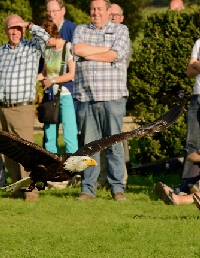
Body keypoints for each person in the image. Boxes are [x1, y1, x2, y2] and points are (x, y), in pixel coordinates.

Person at [0, 14, 50, 201]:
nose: (15, 31)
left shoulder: (32, 47)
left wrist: (27, 24)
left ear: (23, 30)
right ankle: (18, 188)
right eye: (12, 28)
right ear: (6, 30)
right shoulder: (0, 51)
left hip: (23, 107)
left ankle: (31, 190)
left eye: (18, 28)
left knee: (26, 150)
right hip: (3, 108)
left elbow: (46, 38)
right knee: (9, 151)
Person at [72, 0, 130, 201]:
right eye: (92, 9)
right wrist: (103, 50)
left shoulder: (121, 30)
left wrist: (93, 51)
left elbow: (116, 54)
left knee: (114, 145)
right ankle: (88, 189)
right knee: (89, 146)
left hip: (112, 96)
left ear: (107, 11)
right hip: (87, 97)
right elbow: (78, 50)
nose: (95, 12)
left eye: (99, 9)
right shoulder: (80, 30)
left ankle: (117, 188)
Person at [98, 3, 131, 189]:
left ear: (121, 18)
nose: (112, 18)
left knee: (116, 140)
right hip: (99, 93)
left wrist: (100, 54)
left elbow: (115, 59)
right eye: (109, 15)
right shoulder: (101, 35)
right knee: (100, 140)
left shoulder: (123, 36)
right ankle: (103, 179)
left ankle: (120, 180)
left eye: (115, 15)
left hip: (115, 94)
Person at [39, 20, 78, 154]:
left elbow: (72, 74)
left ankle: (73, 169)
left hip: (65, 95)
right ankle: (52, 167)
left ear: (53, 34)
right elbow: (44, 72)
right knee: (49, 135)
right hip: (50, 96)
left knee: (69, 134)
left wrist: (53, 80)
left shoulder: (68, 47)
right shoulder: (47, 49)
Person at [172, 38, 200, 194]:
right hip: (197, 97)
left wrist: (197, 64)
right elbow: (189, 71)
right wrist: (195, 66)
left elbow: (194, 66)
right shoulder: (199, 42)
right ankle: (186, 185)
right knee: (191, 143)